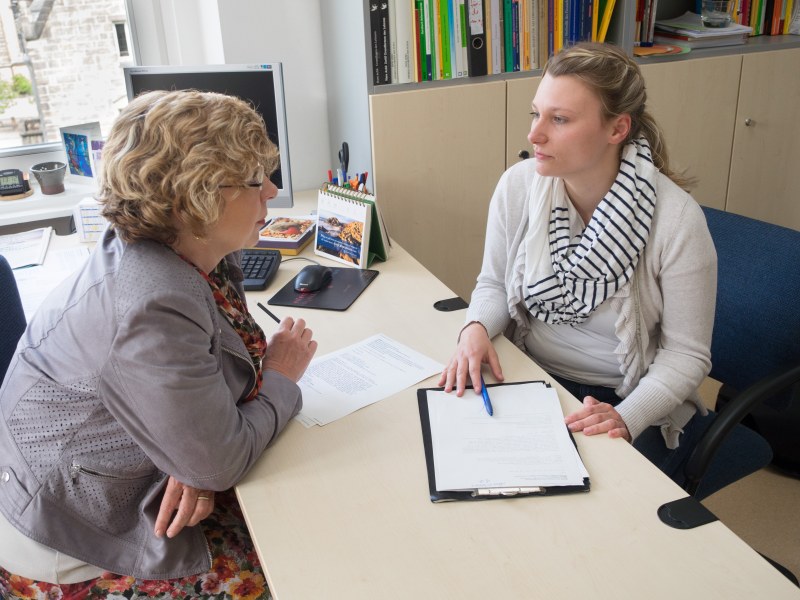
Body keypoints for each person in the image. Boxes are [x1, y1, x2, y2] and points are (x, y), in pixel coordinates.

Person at [0, 90, 316, 599]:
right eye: (255, 180)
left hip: (126, 480)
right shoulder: (150, 302)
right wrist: (280, 376)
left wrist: (189, 455)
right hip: (73, 536)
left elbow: (199, 397)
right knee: (293, 572)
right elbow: (220, 459)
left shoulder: (190, 251)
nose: (273, 191)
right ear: (194, 200)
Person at [439, 42, 772, 499]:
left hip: (627, 396)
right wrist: (475, 328)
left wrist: (626, 418)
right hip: (534, 374)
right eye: (535, 114)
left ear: (617, 128)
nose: (535, 135)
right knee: (472, 477)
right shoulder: (520, 186)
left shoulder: (675, 221)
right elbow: (494, 283)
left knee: (568, 507)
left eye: (559, 119)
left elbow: (687, 357)